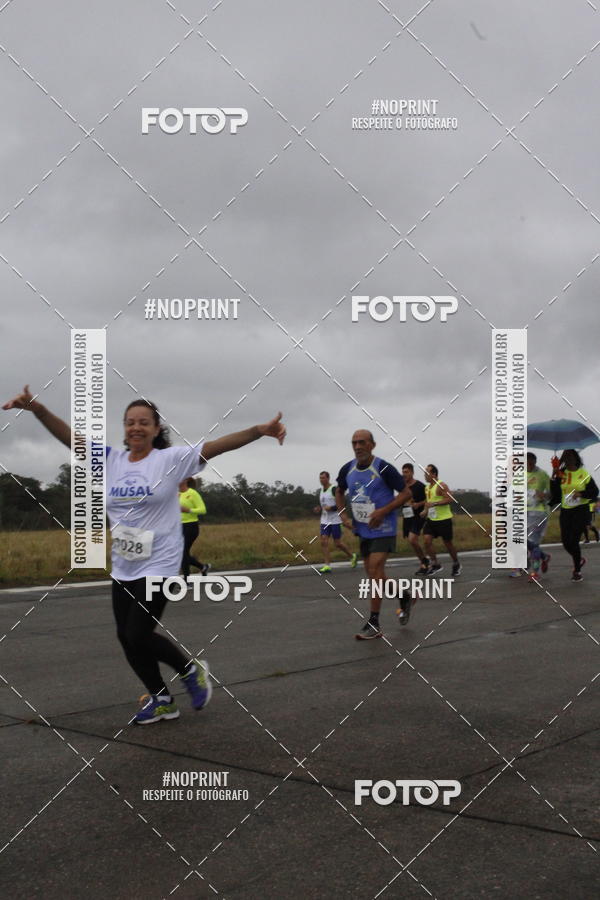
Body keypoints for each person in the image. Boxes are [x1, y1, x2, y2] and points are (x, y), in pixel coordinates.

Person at [3, 385, 286, 722]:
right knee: (126, 637)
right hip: (125, 563)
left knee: (138, 633)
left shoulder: (169, 460)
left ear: (156, 428)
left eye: (143, 422)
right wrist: (38, 410)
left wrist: (258, 430)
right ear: (124, 428)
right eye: (130, 422)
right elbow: (70, 438)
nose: (136, 427)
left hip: (161, 562)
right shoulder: (111, 461)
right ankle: (162, 699)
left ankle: (190, 670)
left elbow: (217, 446)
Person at [335, 430, 412, 637]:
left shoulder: (384, 467)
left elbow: (406, 493)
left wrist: (383, 511)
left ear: (372, 445)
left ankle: (374, 622)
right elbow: (339, 491)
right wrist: (343, 516)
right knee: (374, 575)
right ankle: (404, 596)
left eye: (362, 442)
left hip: (384, 528)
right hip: (363, 529)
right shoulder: (347, 469)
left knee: (375, 569)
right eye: (354, 443)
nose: (357, 447)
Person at [549, 448, 599, 582]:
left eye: (571, 457)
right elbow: (555, 493)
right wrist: (554, 476)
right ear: (563, 460)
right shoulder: (561, 473)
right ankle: (579, 559)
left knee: (574, 540)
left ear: (576, 458)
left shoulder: (583, 473)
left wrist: (581, 494)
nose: (569, 459)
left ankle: (577, 571)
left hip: (581, 510)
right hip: (566, 511)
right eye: (566, 457)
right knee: (566, 542)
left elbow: (595, 491)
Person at [313, 470, 357, 573]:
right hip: (324, 520)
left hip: (335, 520)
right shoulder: (321, 490)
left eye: (323, 478)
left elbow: (343, 503)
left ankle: (352, 556)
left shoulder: (334, 489)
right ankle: (327, 565)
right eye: (320, 478)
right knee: (323, 541)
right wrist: (319, 508)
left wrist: (332, 508)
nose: (321, 480)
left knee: (338, 543)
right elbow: (324, 505)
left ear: (328, 478)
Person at [421, 464, 461, 576]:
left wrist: (435, 503)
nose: (425, 475)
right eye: (424, 473)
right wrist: (425, 511)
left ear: (434, 474)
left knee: (448, 543)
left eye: (427, 473)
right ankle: (435, 564)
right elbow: (428, 502)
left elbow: (450, 498)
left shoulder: (441, 485)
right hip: (431, 519)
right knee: (427, 541)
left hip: (444, 520)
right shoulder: (427, 487)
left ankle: (456, 563)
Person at [525, 452, 551, 582]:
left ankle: (535, 572)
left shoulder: (543, 475)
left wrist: (544, 495)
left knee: (533, 542)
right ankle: (544, 556)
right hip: (523, 512)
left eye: (531, 462)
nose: (529, 465)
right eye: (526, 463)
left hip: (539, 512)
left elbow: (552, 494)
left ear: (535, 462)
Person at [400, 463, 429, 575]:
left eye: (406, 472)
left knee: (412, 539)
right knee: (412, 541)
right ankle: (424, 562)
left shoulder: (420, 486)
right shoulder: (402, 486)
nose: (404, 474)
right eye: (403, 472)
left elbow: (429, 499)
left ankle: (425, 562)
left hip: (418, 516)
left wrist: (418, 504)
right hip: (407, 516)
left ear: (412, 472)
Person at [179, 477, 209, 578]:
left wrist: (189, 510)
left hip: (191, 526)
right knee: (182, 553)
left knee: (183, 552)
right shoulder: (174, 494)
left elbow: (203, 510)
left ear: (186, 480)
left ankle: (186, 581)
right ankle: (203, 567)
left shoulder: (192, 493)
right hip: (178, 527)